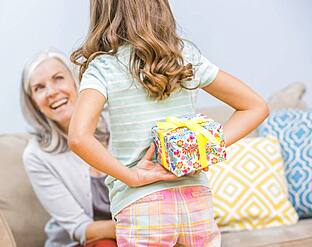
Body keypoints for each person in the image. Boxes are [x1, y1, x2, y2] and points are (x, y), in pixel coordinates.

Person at [68, 0, 269, 246]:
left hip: (141, 205)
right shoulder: (185, 58)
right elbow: (256, 107)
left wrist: (132, 177)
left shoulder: (104, 67)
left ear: (102, 12)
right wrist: (203, 148)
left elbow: (79, 137)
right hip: (196, 201)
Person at [20, 48, 117, 247]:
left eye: (58, 78)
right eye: (39, 88)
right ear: (33, 103)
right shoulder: (35, 156)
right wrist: (141, 226)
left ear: (76, 81)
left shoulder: (118, 120)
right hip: (87, 241)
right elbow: (80, 229)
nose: (52, 92)